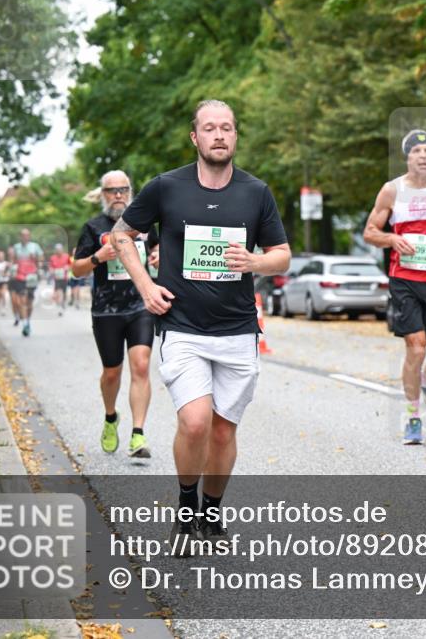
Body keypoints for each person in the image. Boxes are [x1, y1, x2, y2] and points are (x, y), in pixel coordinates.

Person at [112, 100, 290, 551]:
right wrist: (145, 286)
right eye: (209, 128)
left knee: (223, 430)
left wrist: (256, 260)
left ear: (235, 137)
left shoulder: (256, 192)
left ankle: (212, 514)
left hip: (236, 331)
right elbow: (121, 236)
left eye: (226, 128)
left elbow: (282, 254)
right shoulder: (166, 187)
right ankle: (187, 506)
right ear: (195, 137)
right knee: (194, 422)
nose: (218, 135)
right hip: (182, 327)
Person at [363, 129, 426, 444]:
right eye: (416, 152)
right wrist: (391, 238)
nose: (422, 156)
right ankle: (413, 417)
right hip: (405, 281)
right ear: (407, 157)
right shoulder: (392, 191)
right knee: (415, 347)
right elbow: (370, 232)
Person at [72, 171, 160, 458]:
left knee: (142, 365)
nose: (118, 195)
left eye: (123, 189)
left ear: (131, 191)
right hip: (106, 309)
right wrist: (99, 257)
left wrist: (161, 256)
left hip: (140, 305)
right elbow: (76, 269)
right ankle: (111, 417)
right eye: (112, 190)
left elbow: (160, 252)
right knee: (112, 373)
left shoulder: (145, 225)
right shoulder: (93, 227)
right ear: (103, 195)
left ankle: (138, 435)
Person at [9, 228, 44, 336]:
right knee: (21, 301)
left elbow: (41, 260)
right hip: (20, 277)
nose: (25, 237)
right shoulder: (16, 247)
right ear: (20, 237)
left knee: (29, 302)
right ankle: (24, 324)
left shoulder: (35, 246)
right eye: (23, 235)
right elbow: (13, 261)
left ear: (29, 236)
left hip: (31, 277)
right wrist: (12, 270)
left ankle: (27, 321)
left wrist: (37, 262)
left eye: (27, 235)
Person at [49, 243, 72, 316]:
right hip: (57, 278)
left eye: (60, 249)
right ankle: (60, 309)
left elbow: (71, 264)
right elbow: (50, 267)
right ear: (55, 250)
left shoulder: (66, 256)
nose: (58, 251)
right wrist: (52, 271)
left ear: (62, 250)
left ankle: (63, 303)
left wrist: (67, 267)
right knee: (59, 293)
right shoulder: (52, 257)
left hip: (64, 277)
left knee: (64, 293)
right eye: (57, 250)